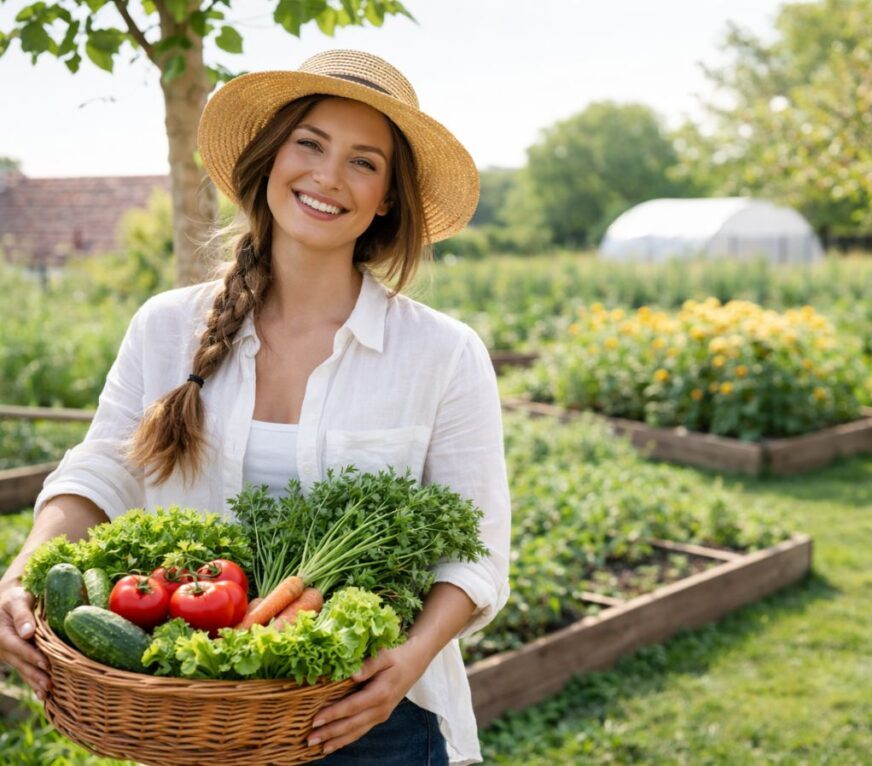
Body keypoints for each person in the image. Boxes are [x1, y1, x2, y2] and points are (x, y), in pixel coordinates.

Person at [0, 50, 510, 766]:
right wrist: (23, 570)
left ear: (387, 197)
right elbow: (100, 473)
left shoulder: (442, 354)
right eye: (309, 144)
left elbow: (474, 551)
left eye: (364, 162)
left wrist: (411, 658)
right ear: (271, 158)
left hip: (370, 717)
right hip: (195, 711)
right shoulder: (166, 327)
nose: (328, 177)